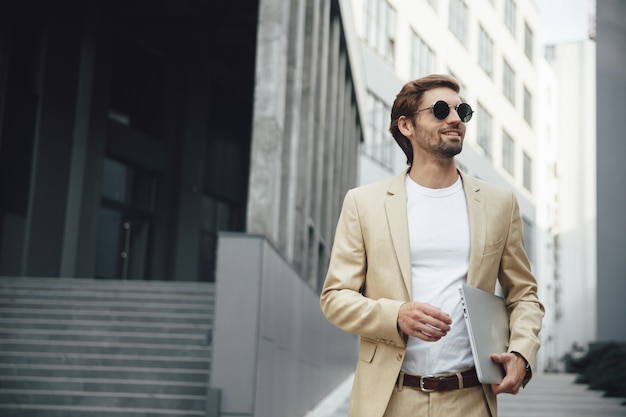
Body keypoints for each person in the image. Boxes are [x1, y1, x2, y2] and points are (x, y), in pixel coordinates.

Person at [319, 74, 544, 417]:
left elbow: (523, 293)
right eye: (440, 110)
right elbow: (335, 298)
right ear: (406, 125)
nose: (455, 119)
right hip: (390, 400)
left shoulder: (500, 205)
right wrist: (396, 315)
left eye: (461, 111)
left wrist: (522, 352)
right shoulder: (364, 203)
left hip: (470, 399)